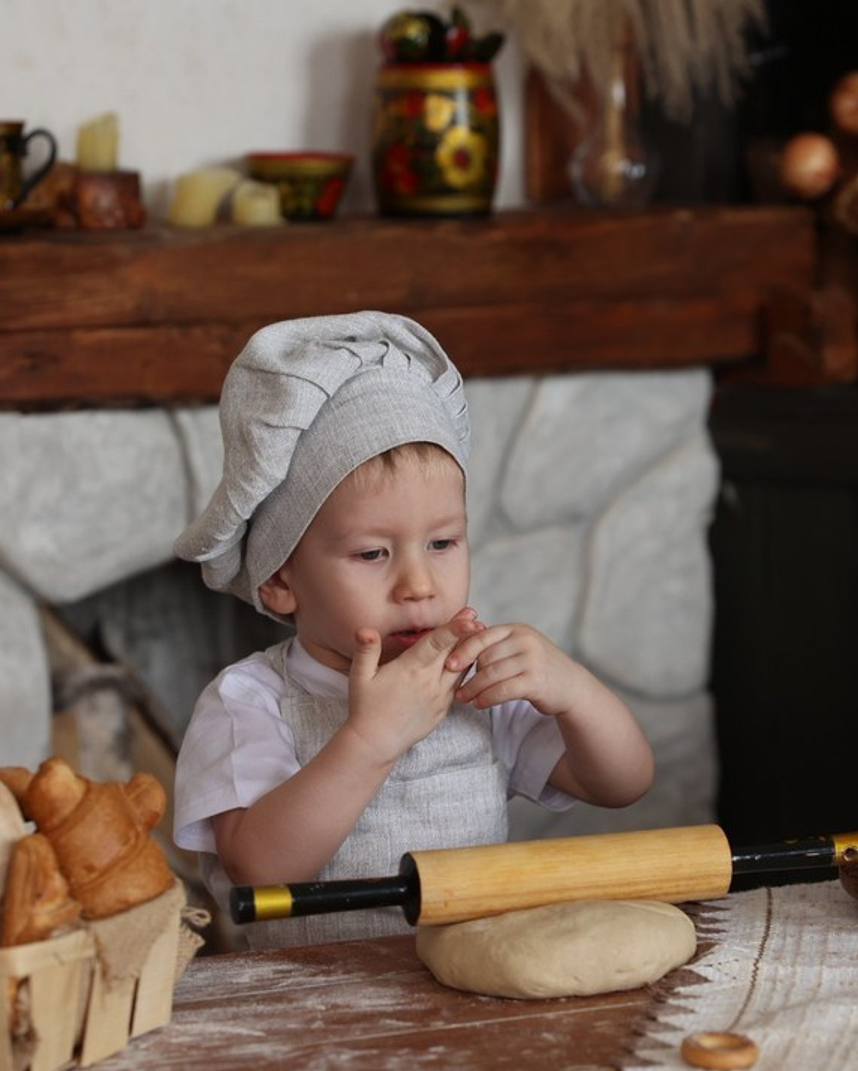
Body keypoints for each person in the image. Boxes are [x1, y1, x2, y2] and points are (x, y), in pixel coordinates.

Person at [172, 312, 654, 947]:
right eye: (373, 554)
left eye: (443, 542)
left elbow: (620, 784)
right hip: (310, 1012)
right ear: (280, 580)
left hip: (466, 990)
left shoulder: (473, 684)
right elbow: (258, 867)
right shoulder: (250, 702)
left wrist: (575, 692)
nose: (419, 585)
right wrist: (369, 740)